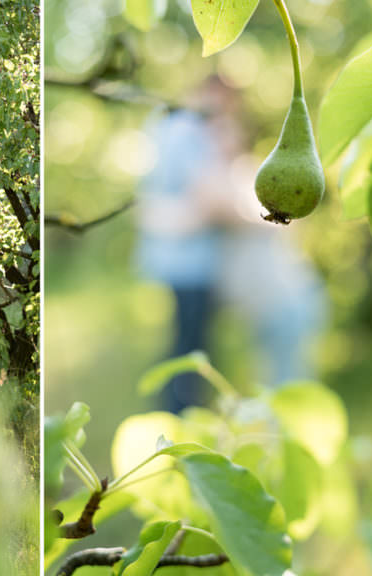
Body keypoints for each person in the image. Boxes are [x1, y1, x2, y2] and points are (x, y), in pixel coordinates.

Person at [136, 76, 326, 412]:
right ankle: (178, 418)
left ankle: (191, 417)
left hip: (235, 280)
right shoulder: (185, 132)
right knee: (190, 350)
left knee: (202, 351)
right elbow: (210, 204)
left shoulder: (238, 164)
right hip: (192, 269)